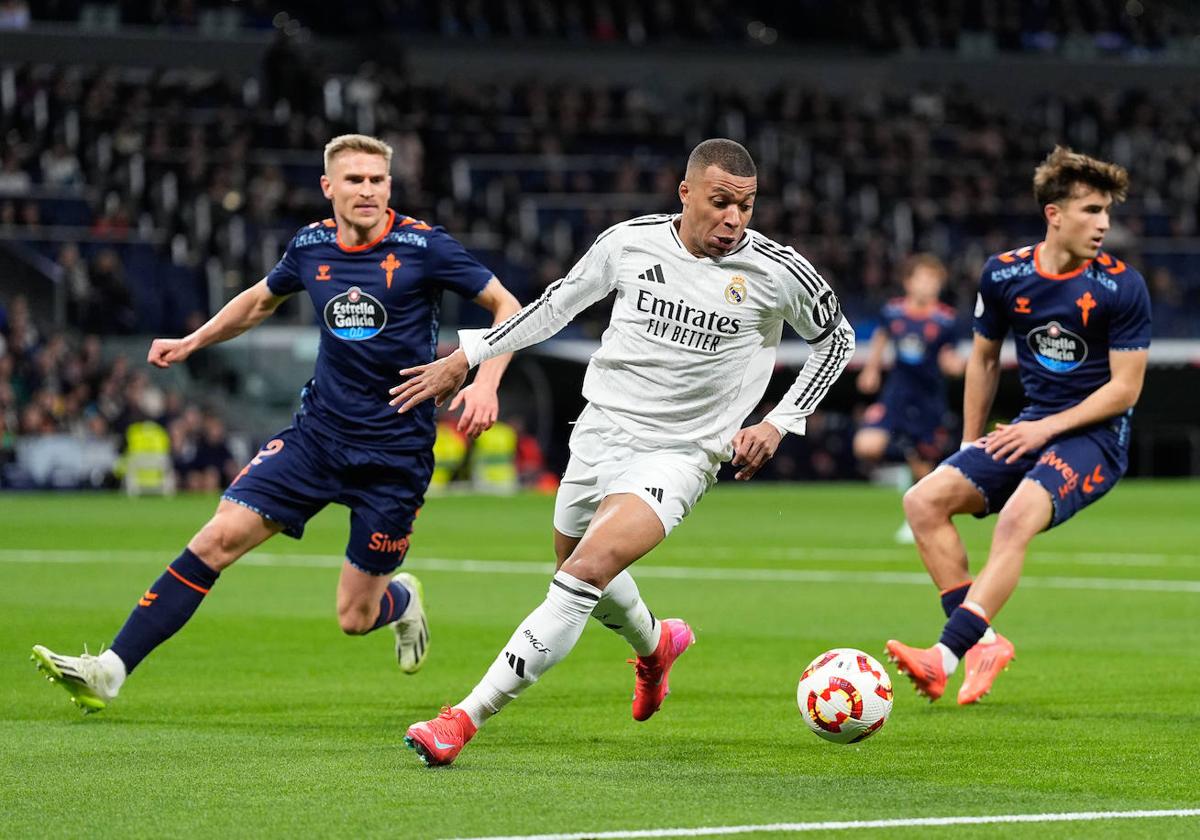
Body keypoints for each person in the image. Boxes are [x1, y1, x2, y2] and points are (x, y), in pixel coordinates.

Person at [389, 138, 856, 766]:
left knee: (579, 574)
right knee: (584, 569)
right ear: (685, 193)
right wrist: (464, 358)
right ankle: (657, 644)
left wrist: (779, 421)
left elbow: (838, 338)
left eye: (745, 206)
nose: (734, 219)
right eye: (720, 203)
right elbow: (553, 307)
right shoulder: (628, 243)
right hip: (601, 432)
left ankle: (461, 719)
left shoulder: (777, 271)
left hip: (684, 452)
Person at [31, 134, 522, 713]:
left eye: (377, 180)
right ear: (328, 187)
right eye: (355, 180)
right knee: (216, 538)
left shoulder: (424, 245)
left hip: (395, 456)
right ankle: (109, 670)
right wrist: (195, 340)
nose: (367, 191)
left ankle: (401, 600)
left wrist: (483, 381)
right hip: (317, 439)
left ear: (389, 185)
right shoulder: (310, 246)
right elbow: (259, 301)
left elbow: (508, 307)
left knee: (354, 616)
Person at [885, 147, 1150, 705]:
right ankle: (983, 642)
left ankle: (944, 655)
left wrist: (1044, 428)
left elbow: (1125, 389)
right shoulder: (1004, 272)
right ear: (1054, 213)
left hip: (1096, 438)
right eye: (1091, 211)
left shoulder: (1122, 286)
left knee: (1016, 520)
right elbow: (983, 360)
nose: (1103, 224)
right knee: (923, 502)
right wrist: (967, 444)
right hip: (1029, 427)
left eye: (1107, 212)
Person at [853, 254, 964, 542]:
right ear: (908, 282)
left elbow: (948, 355)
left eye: (934, 281)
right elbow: (882, 335)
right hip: (897, 395)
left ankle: (917, 519)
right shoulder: (893, 312)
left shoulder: (945, 319)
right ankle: (906, 458)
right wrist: (872, 368)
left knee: (923, 468)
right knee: (866, 445)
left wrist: (956, 366)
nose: (929, 285)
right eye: (923, 279)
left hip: (928, 399)